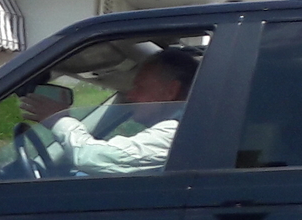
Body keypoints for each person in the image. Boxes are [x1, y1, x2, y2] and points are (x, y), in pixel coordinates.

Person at [14, 49, 198, 176]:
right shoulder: (183, 128)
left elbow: (94, 158)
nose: (130, 96)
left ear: (170, 91)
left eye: (139, 87)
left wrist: (58, 120)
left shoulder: (178, 133)